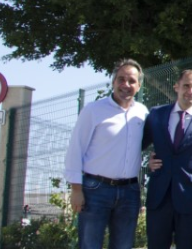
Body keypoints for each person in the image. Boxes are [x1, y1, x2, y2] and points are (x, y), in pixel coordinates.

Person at [64, 59, 149, 249]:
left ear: (139, 85)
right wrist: (76, 190)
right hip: (96, 190)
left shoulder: (142, 113)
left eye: (132, 81)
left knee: (123, 245)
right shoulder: (94, 111)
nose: (126, 85)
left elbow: (144, 145)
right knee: (90, 244)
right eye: (121, 79)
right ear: (113, 82)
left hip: (130, 191)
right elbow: (75, 149)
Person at [142, 69, 192, 249]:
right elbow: (137, 145)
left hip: (190, 200)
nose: (190, 91)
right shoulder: (156, 115)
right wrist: (149, 160)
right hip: (159, 198)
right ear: (176, 87)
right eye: (186, 85)